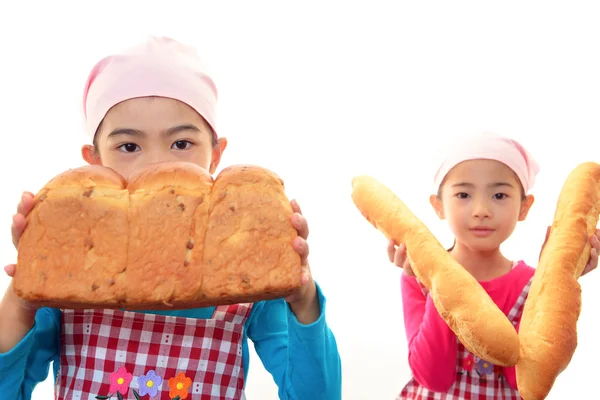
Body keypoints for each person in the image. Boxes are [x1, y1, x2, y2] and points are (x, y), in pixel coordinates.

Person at [0, 36, 342, 400]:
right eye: (129, 146)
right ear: (95, 162)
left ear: (215, 156)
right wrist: (24, 295)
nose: (157, 165)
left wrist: (302, 299)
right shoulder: (70, 286)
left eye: (181, 143)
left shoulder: (248, 285)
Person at [387, 132, 599, 399]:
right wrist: (438, 285)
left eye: (499, 195)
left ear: (524, 207)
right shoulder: (417, 277)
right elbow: (433, 376)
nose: (481, 209)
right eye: (463, 194)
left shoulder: (533, 285)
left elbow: (522, 382)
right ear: (438, 205)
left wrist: (564, 278)